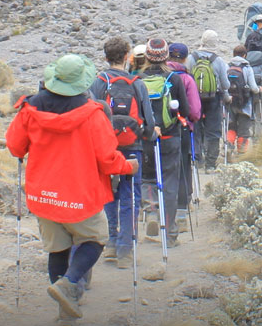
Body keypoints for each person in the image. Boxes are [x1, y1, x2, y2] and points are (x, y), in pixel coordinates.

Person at [7, 54, 134, 326]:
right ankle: (70, 283)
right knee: (95, 238)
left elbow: (16, 148)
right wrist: (128, 167)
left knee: (58, 249)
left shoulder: (29, 109)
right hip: (80, 193)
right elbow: (107, 158)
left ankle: (66, 311)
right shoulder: (92, 114)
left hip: (43, 194)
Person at [87, 37, 152, 265]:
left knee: (107, 195)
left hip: (106, 148)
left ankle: (111, 244)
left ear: (105, 57)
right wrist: (147, 134)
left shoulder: (99, 82)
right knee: (130, 197)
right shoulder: (137, 83)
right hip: (133, 147)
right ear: (127, 57)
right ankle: (126, 249)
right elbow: (149, 122)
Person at [139, 38, 197, 246]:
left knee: (147, 179)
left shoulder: (137, 79)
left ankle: (152, 211)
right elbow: (187, 111)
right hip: (171, 138)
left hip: (145, 138)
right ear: (166, 56)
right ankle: (171, 233)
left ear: (147, 55)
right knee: (170, 182)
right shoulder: (175, 78)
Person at [161, 42, 205, 228]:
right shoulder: (187, 79)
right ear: (185, 58)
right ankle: (180, 212)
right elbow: (194, 111)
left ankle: (156, 209)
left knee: (161, 168)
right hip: (182, 128)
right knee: (183, 166)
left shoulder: (159, 76)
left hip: (157, 129)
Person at [188, 30, 229, 168]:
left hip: (194, 98)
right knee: (213, 129)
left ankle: (197, 159)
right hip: (213, 98)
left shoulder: (191, 58)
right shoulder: (218, 60)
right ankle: (211, 163)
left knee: (196, 127)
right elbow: (225, 84)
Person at [224, 46, 262, 154]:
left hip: (230, 102)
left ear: (233, 54)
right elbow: (254, 88)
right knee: (244, 130)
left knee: (231, 126)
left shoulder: (227, 66)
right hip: (244, 104)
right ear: (245, 55)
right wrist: (260, 89)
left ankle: (229, 145)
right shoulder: (247, 68)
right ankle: (241, 154)